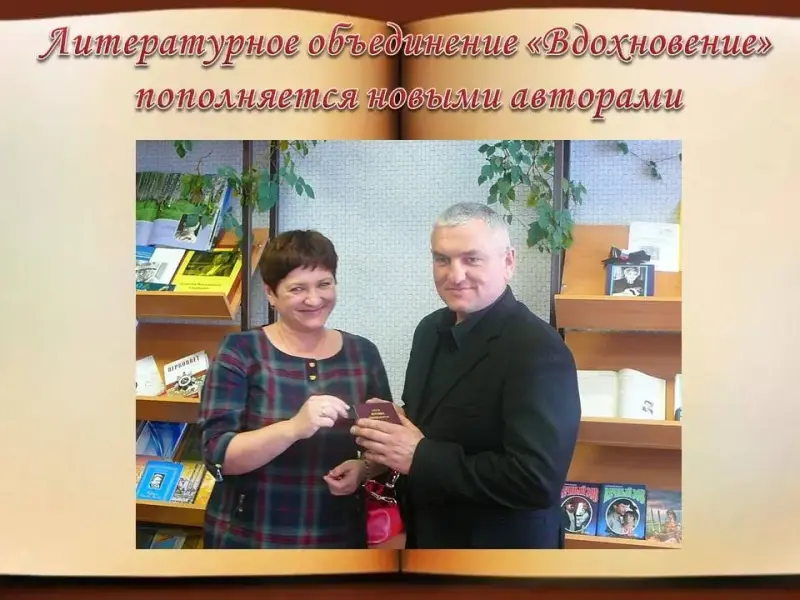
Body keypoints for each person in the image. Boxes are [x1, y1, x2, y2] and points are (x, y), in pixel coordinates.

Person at [352, 202, 582, 549]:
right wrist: (392, 431)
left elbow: (535, 480)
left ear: (508, 262)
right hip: (428, 538)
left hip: (501, 552)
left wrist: (420, 455)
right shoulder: (429, 330)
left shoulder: (538, 349)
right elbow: (434, 422)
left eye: (471, 259)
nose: (455, 275)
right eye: (442, 259)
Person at [198, 229, 393, 549]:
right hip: (250, 537)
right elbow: (217, 455)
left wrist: (364, 469)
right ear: (271, 293)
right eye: (297, 288)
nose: (314, 299)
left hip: (338, 536)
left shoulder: (363, 354)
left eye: (324, 284)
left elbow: (386, 443)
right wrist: (293, 428)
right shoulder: (241, 351)